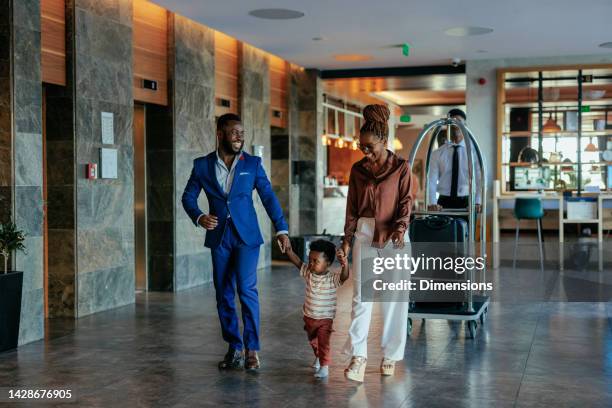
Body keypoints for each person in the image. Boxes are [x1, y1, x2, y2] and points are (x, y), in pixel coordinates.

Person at [181, 113, 291, 371]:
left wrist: (282, 229)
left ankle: (252, 349)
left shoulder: (252, 164)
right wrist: (199, 216)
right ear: (220, 134)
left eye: (242, 132)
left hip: (247, 237)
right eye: (234, 133)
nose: (240, 137)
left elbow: (268, 197)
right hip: (219, 236)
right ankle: (234, 346)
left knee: (246, 289)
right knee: (223, 294)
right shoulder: (202, 166)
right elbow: (188, 197)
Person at [336, 104, 415, 383]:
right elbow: (352, 209)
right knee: (361, 298)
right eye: (361, 147)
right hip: (365, 233)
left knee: (394, 299)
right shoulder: (358, 170)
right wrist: (346, 241)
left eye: (369, 147)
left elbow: (406, 203)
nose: (364, 152)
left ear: (383, 140)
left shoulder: (401, 168)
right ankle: (358, 356)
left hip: (395, 235)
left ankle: (390, 355)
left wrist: (401, 228)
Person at [284, 240, 350, 378]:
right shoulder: (308, 272)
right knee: (313, 341)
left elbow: (345, 277)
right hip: (309, 317)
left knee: (324, 342)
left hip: (325, 319)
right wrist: (289, 250)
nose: (311, 264)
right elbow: (297, 262)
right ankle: (319, 357)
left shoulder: (332, 279)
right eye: (310, 260)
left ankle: (325, 367)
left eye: (316, 261)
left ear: (328, 263)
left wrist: (345, 264)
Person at [427, 108, 482, 212]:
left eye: (459, 122)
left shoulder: (474, 153)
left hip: (467, 201)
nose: (455, 125)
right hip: (443, 202)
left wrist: (478, 202)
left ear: (465, 126)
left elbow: (480, 179)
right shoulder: (437, 153)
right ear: (447, 127)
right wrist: (432, 203)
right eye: (452, 123)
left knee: (466, 228)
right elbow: (431, 181)